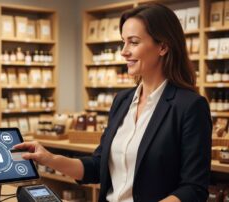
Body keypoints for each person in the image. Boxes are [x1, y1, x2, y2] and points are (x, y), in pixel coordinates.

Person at [13, 3, 212, 202]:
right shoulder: (122, 100)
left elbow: (194, 189)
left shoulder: (190, 107)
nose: (124, 52)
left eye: (133, 42)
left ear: (163, 46)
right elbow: (98, 167)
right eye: (123, 42)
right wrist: (50, 159)